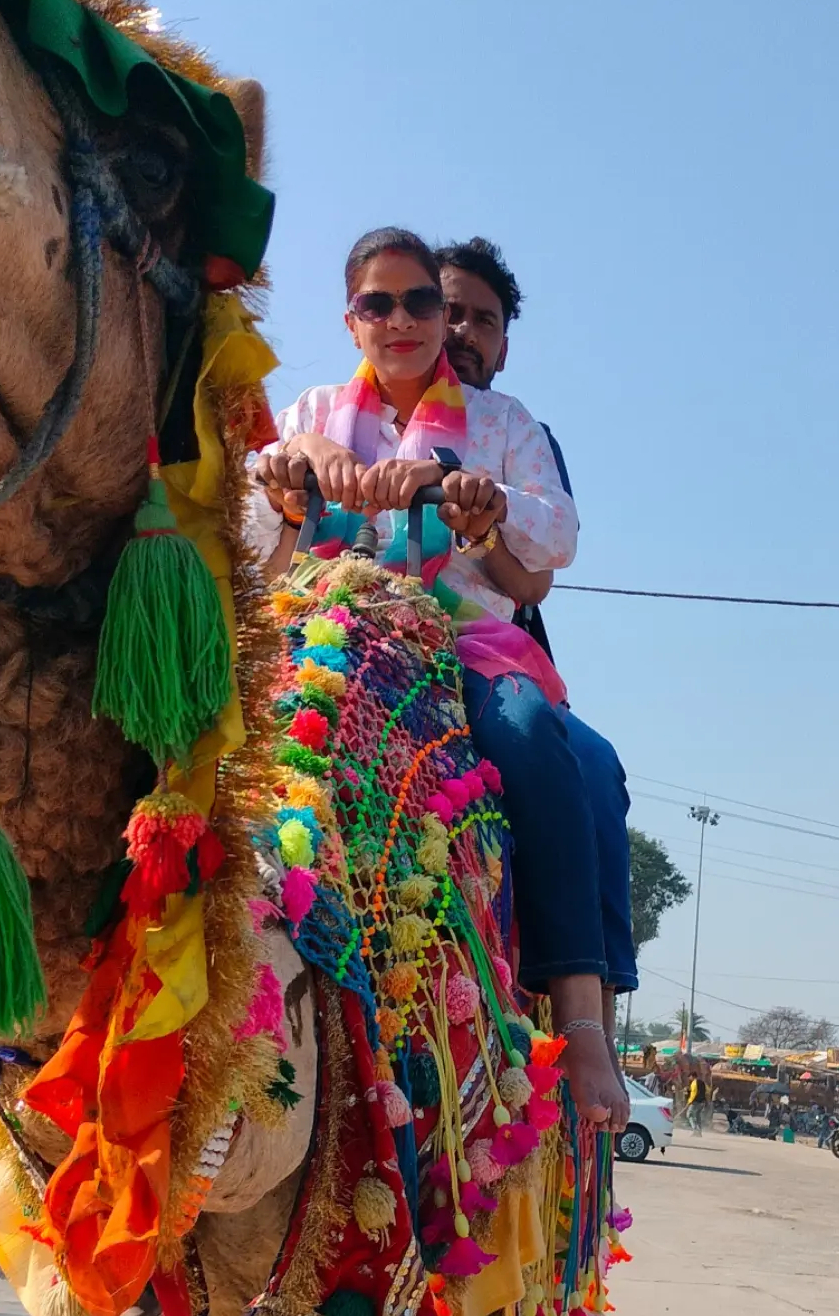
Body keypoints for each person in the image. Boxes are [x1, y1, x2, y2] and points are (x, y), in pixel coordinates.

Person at [249, 226, 628, 1130]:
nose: (408, 320)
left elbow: (552, 539)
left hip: (458, 649)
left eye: (421, 301)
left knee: (540, 740)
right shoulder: (307, 414)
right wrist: (289, 485)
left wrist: (478, 500)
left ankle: (580, 1016)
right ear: (351, 321)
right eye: (380, 304)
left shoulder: (503, 427)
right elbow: (251, 547)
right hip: (322, 634)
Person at [435, 236, 638, 1012]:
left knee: (593, 770)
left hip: (488, 649)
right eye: (446, 310)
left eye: (482, 321)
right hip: (351, 627)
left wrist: (481, 522)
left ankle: (590, 1004)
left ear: (505, 346)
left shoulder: (519, 435)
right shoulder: (349, 411)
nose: (463, 332)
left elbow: (534, 582)